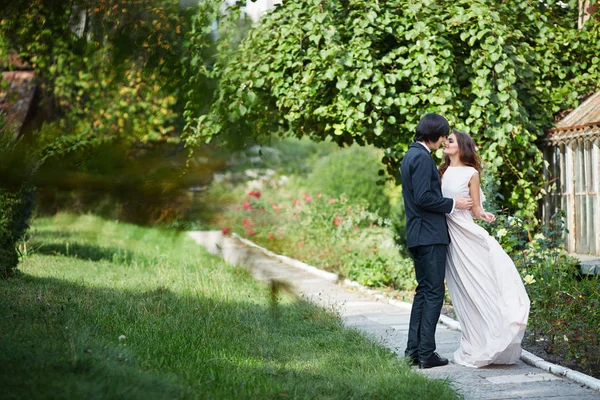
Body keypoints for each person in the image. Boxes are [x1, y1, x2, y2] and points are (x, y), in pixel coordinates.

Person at [440, 130, 530, 368]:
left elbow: (476, 209)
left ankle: (498, 332)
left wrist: (484, 215)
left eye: (450, 141)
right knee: (463, 292)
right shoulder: (440, 172)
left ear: (461, 147)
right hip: (449, 239)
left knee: (481, 285)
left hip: (467, 235)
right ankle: (474, 341)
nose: (445, 143)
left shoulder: (471, 173)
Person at [401, 113, 473, 369]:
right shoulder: (420, 158)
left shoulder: (411, 154)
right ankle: (427, 354)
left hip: (419, 234)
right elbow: (423, 198)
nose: (444, 140)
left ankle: (414, 352)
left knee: (424, 292)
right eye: (443, 135)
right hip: (429, 235)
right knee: (433, 293)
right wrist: (454, 203)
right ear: (433, 134)